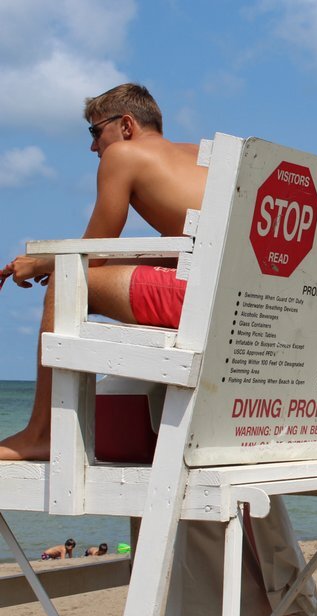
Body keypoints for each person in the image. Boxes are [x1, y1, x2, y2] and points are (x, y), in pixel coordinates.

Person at [0, 83, 208, 461]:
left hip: (195, 301)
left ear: (126, 125)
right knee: (75, 275)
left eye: (96, 132)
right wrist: (57, 263)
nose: (93, 147)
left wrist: (42, 263)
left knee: (66, 288)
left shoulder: (123, 155)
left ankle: (42, 433)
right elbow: (172, 253)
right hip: (236, 304)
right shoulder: (201, 157)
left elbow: (93, 253)